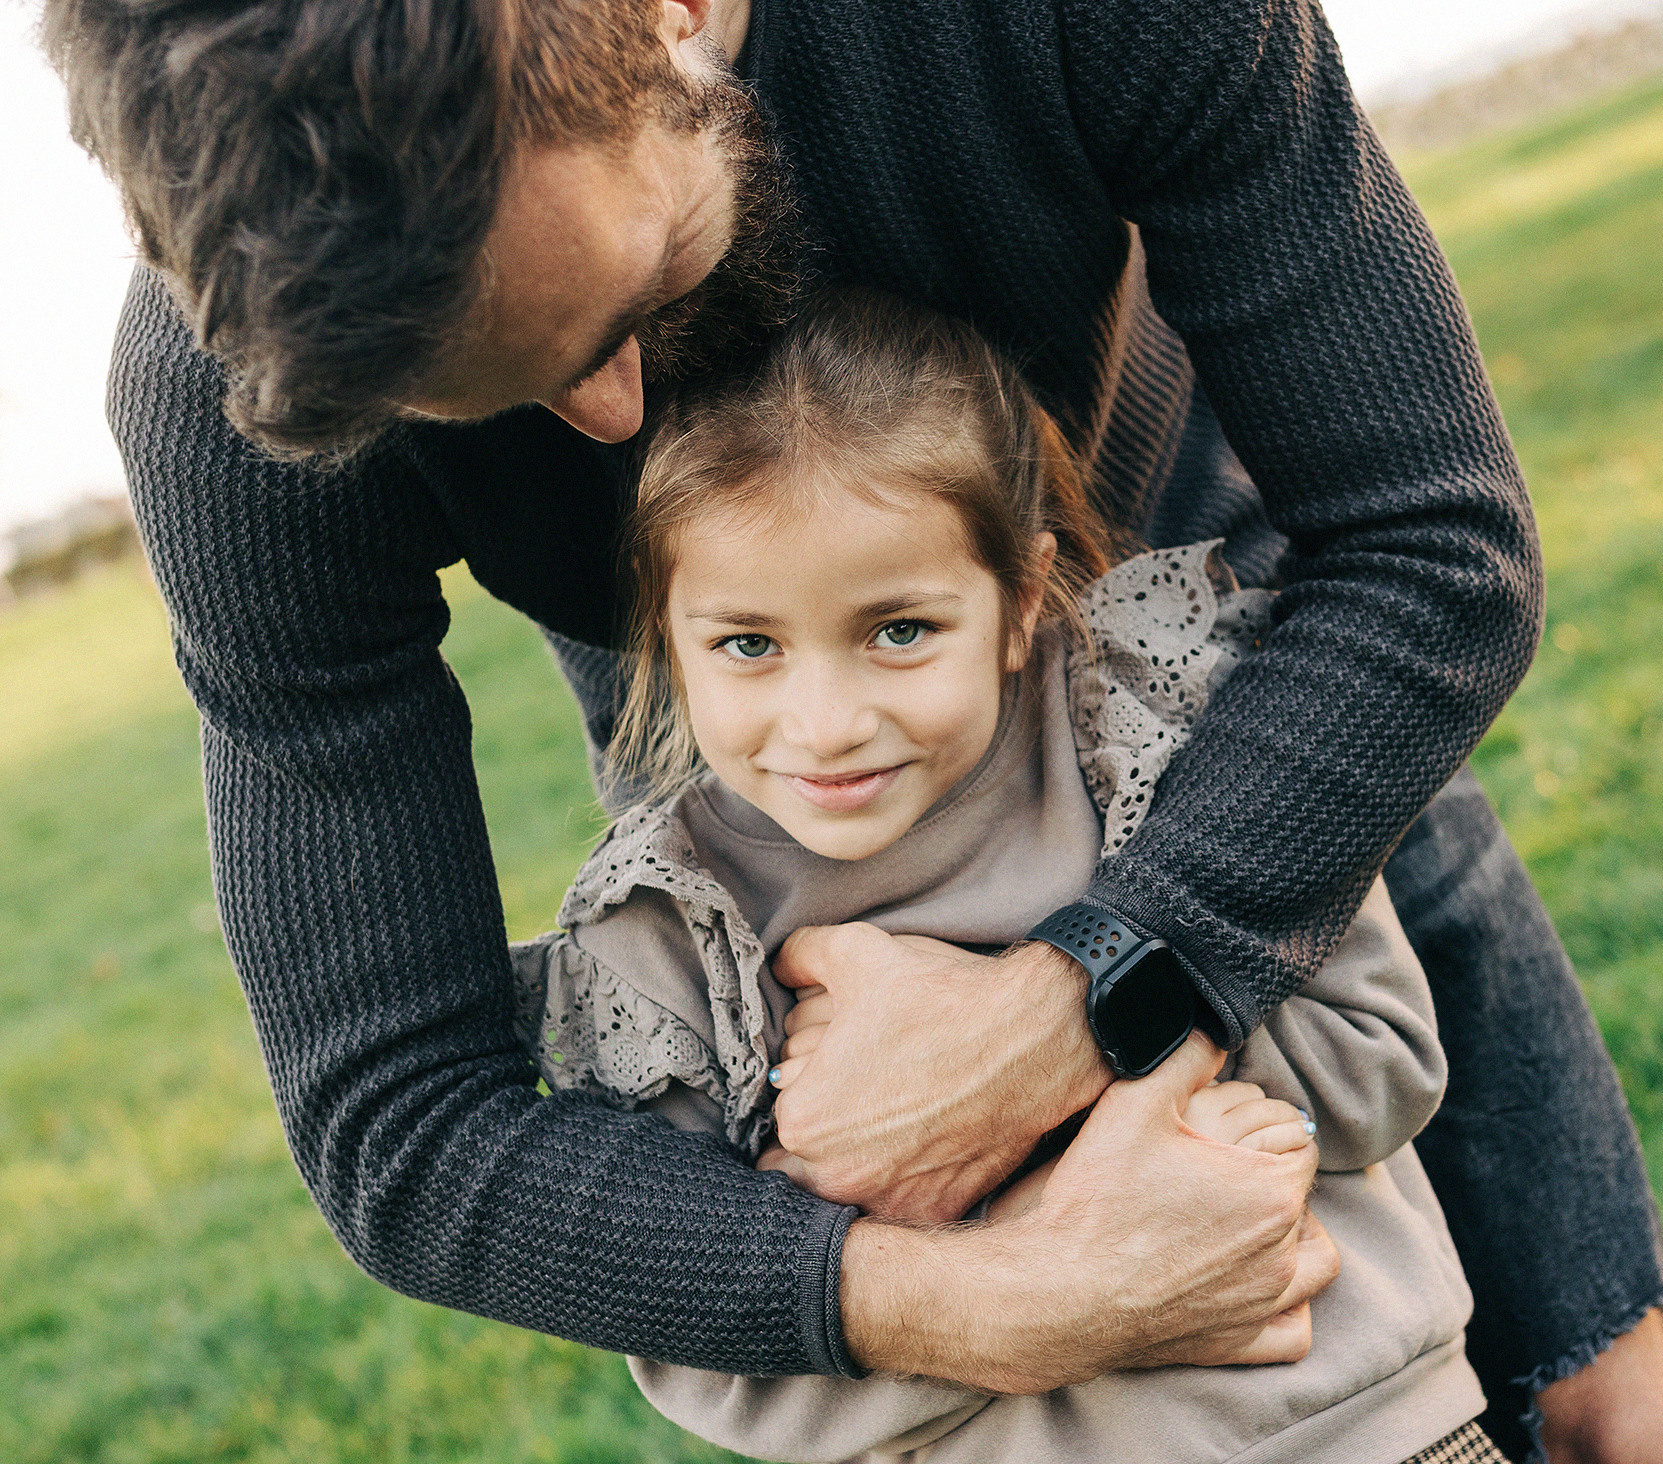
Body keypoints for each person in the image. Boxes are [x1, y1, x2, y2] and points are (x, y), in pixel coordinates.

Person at [44, 0, 1663, 1456]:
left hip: (1148, 498)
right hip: (697, 664)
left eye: (629, 303)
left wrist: (1066, 1004)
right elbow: (398, 1119)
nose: (607, 419)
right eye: (501, 391)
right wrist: (978, 1296)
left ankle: (1613, 1393)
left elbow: (1429, 553)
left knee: (1327, 826)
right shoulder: (232, 407)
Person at [513, 286, 1502, 1464]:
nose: (824, 724)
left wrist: (1039, 1076)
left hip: (1361, 1429)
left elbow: (1380, 1054)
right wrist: (1025, 1271)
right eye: (747, 646)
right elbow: (715, 1360)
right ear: (667, 639)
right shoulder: (668, 932)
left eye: (897, 631)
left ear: (1020, 598)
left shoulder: (1146, 729)